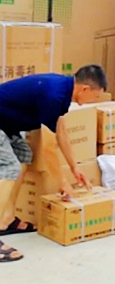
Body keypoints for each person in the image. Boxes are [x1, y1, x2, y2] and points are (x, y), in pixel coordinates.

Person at [0, 65, 107, 263]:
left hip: (6, 124)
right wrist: (62, 182)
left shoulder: (63, 90)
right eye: (95, 96)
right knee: (9, 168)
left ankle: (7, 219)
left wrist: (74, 168)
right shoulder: (54, 95)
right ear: (85, 89)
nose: (94, 100)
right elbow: (48, 148)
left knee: (24, 157)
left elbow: (61, 132)